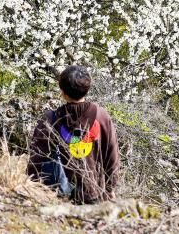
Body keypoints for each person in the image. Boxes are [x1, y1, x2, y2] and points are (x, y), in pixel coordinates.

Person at [27, 65, 120, 203]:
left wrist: (31, 182)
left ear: (62, 91)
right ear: (87, 90)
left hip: (58, 195)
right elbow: (112, 155)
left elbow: (37, 156)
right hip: (95, 193)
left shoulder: (51, 119)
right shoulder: (102, 116)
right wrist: (110, 188)